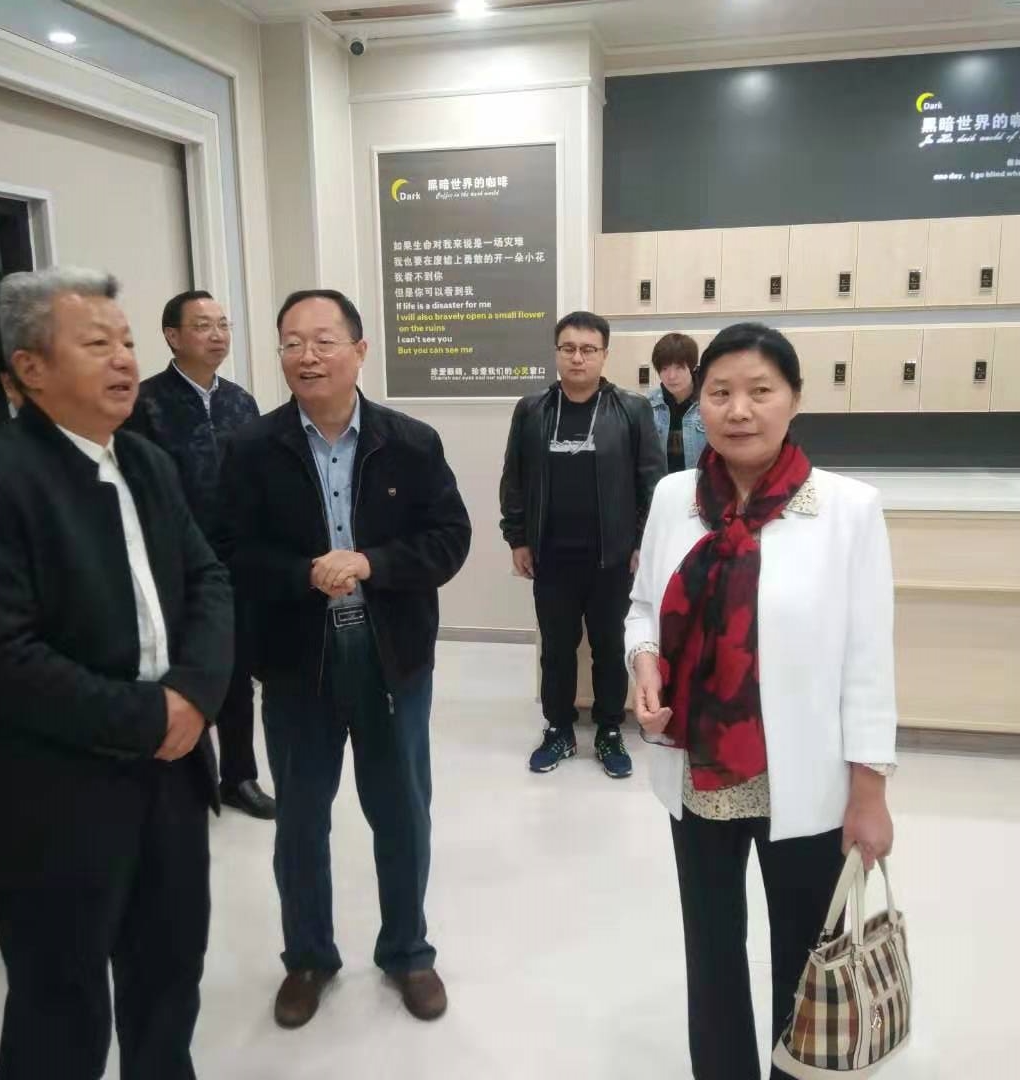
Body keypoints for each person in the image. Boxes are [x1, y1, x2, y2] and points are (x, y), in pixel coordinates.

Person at [0, 268, 233, 1080]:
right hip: (52, 796)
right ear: (30, 369)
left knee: (169, 982)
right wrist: (151, 717)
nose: (125, 358)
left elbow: (208, 579)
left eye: (126, 341)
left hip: (170, 778)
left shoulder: (147, 463)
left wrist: (196, 695)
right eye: (97, 344)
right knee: (60, 1014)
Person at [625, 322, 898, 1080]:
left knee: (806, 956)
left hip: (803, 780)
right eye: (720, 393)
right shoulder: (675, 496)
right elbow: (642, 607)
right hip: (700, 774)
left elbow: (869, 660)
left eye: (759, 391)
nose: (738, 410)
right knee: (711, 951)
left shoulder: (847, 509)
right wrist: (642, 660)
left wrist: (870, 793)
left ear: (794, 400)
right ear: (700, 403)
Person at [219, 288, 471, 1029]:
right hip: (298, 661)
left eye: (324, 340)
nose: (307, 356)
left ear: (360, 351)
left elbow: (448, 540)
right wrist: (303, 574)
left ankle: (408, 952)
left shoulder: (411, 443)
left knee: (402, 812)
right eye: (292, 342)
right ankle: (308, 957)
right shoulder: (251, 449)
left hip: (392, 658)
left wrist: (371, 563)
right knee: (301, 819)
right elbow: (228, 552)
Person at [124, 290, 274, 820]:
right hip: (171, 563)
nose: (218, 335)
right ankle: (181, 781)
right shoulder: (144, 404)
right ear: (172, 336)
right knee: (177, 673)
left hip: (235, 559)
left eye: (223, 325)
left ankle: (239, 776)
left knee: (235, 672)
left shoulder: (240, 402)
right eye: (203, 325)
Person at [499, 311, 666, 780]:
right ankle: (559, 729)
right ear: (557, 353)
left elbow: (651, 483)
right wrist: (517, 538)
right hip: (551, 556)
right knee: (556, 649)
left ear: (604, 355)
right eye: (568, 348)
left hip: (613, 558)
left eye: (588, 349)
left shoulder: (631, 410)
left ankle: (610, 729)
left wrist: (642, 544)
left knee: (610, 649)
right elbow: (514, 479)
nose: (577, 357)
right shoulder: (532, 410)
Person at [646, 332, 707, 472]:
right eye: (664, 369)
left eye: (679, 368)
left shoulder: (708, 403)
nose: (671, 376)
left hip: (700, 482)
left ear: (692, 367)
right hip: (662, 483)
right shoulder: (648, 405)